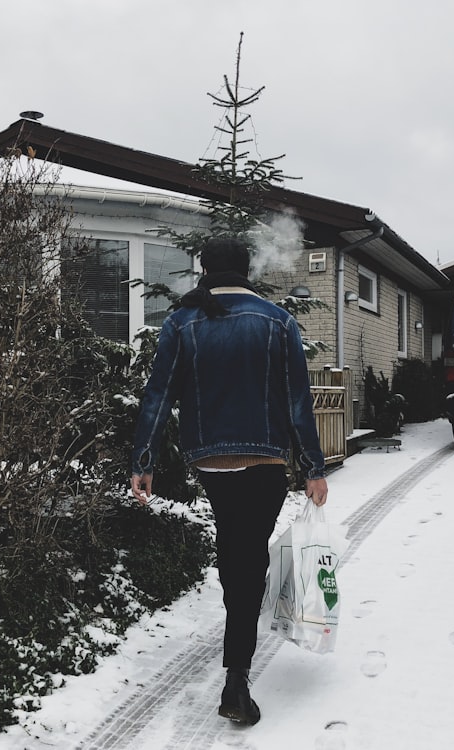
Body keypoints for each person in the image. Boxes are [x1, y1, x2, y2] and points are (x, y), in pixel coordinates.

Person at [130, 236, 328, 726]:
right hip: (264, 461)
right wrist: (313, 468)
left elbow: (157, 397)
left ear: (206, 269)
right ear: (245, 270)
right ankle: (237, 676)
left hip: (210, 462)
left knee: (233, 547)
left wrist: (144, 460)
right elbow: (298, 402)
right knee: (249, 554)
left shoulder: (182, 320)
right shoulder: (278, 321)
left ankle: (237, 614)